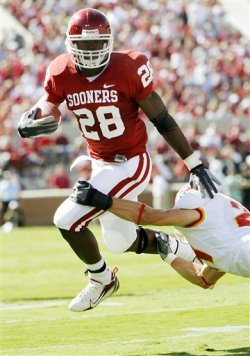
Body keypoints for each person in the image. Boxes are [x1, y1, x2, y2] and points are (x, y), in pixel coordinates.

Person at [17, 8, 219, 312]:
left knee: (65, 219)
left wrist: (194, 163)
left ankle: (101, 279)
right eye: (83, 45)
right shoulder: (60, 70)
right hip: (100, 162)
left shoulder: (128, 67)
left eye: (97, 44)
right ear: (70, 43)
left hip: (131, 162)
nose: (90, 50)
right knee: (120, 241)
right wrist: (36, 115)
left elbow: (162, 118)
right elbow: (51, 102)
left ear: (109, 42)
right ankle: (169, 245)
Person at [70, 180, 250, 288]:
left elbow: (150, 216)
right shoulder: (224, 241)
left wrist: (98, 199)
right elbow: (203, 278)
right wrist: (169, 256)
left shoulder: (195, 211)